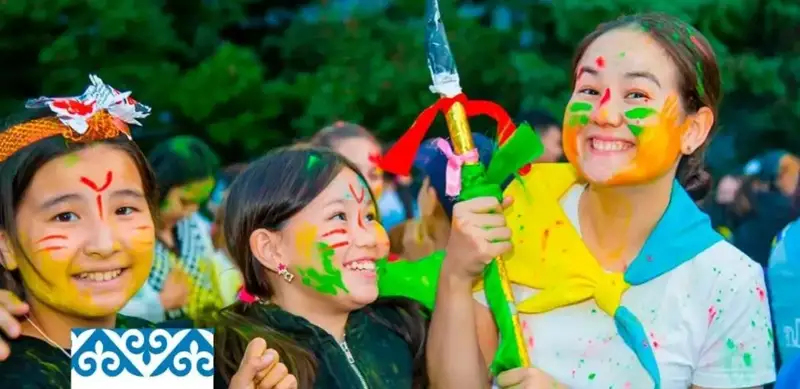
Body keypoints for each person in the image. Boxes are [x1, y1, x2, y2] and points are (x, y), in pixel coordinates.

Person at [428, 13, 775, 389]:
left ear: (692, 130)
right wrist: (456, 273)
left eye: (637, 95)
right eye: (590, 90)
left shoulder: (728, 281)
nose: (604, 114)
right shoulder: (519, 213)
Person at [0, 76, 299, 389]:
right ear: (5, 245)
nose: (105, 244)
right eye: (65, 216)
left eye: (125, 210)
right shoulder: (13, 371)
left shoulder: (142, 346)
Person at [213, 145, 429, 389]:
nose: (374, 239)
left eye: (369, 217)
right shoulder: (211, 358)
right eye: (339, 216)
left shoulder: (404, 327)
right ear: (271, 249)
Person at [121, 135, 224, 322]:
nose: (190, 211)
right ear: (159, 186)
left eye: (198, 203)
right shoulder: (122, 235)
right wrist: (159, 304)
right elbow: (97, 311)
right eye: (184, 201)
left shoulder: (196, 225)